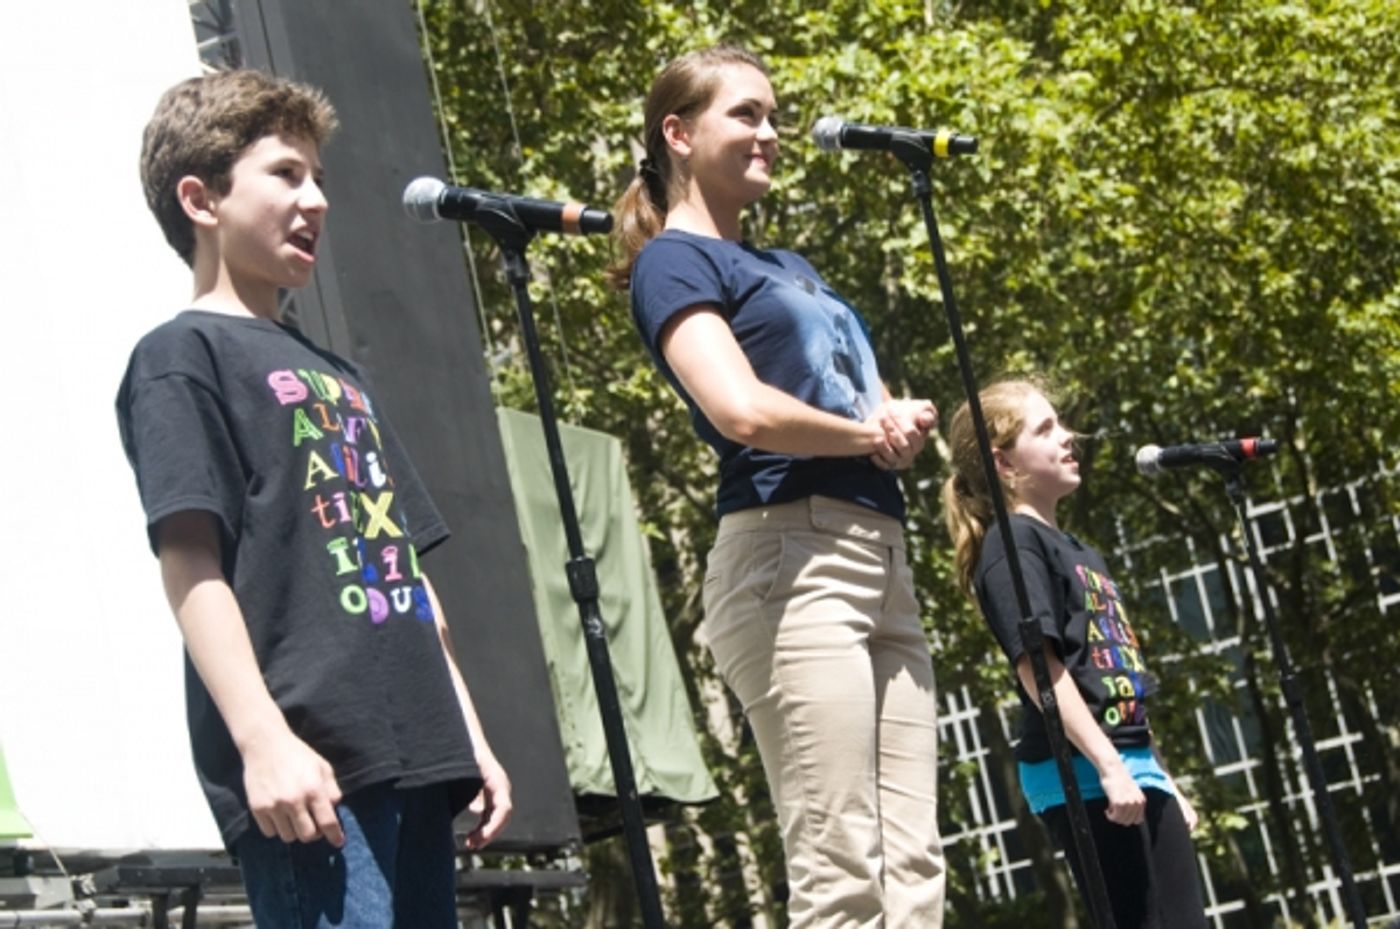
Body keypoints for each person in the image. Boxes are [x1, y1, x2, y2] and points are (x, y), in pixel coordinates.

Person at [115, 69, 511, 928]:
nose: (316, 200)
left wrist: (468, 733)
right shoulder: (181, 357)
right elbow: (190, 562)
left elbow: (399, 561)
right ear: (201, 197)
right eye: (287, 174)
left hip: (419, 757)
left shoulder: (342, 376)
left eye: (320, 180)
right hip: (313, 769)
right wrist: (262, 740)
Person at [609, 45, 946, 928]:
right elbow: (742, 410)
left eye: (773, 115)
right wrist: (866, 431)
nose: (770, 132)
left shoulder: (793, 265)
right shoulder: (674, 263)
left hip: (880, 555)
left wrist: (894, 423)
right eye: (746, 114)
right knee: (842, 863)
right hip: (790, 563)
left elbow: (855, 406)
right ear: (677, 135)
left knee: (913, 863)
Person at [942, 379, 1208, 929]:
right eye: (1045, 429)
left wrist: (1162, 778)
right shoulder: (1012, 545)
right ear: (1004, 464)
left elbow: (1118, 678)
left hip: (1134, 767)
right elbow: (1040, 669)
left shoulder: (1083, 552)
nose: (1069, 438)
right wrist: (1110, 769)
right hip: (1085, 773)